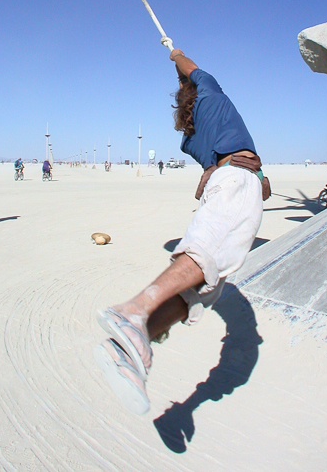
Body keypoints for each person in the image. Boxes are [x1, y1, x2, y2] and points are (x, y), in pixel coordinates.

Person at [94, 48, 265, 414]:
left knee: (199, 290)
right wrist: (177, 55)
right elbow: (193, 68)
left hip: (226, 178)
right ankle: (134, 310)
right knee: (205, 255)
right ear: (198, 90)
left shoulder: (192, 137)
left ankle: (128, 348)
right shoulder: (212, 94)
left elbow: (191, 85)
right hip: (236, 180)